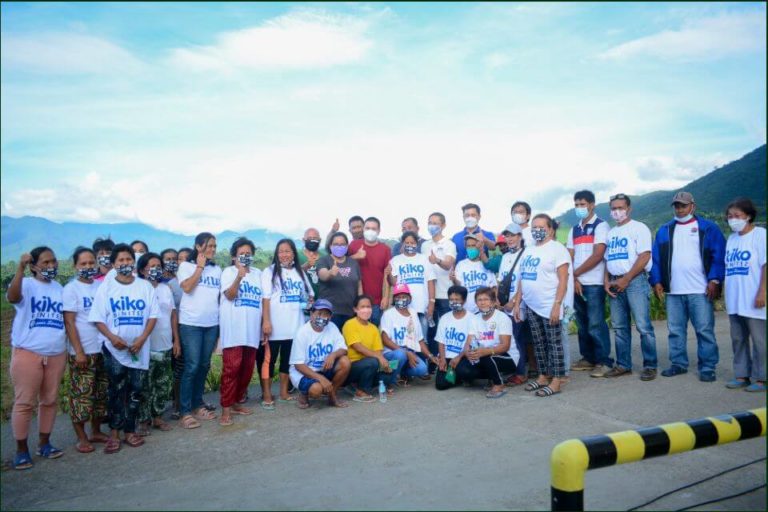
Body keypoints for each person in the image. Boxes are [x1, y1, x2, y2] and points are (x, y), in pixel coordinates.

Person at [89, 244, 159, 453]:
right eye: (120, 260)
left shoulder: (145, 287)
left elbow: (153, 316)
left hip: (139, 349)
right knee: (116, 390)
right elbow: (98, 319)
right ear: (113, 264)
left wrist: (142, 339)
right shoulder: (107, 288)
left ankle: (130, 430)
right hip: (114, 350)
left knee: (136, 390)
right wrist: (112, 338)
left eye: (129, 259)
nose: (125, 263)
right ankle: (114, 433)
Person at [650, 191, 726, 382]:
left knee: (704, 330)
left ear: (693, 206)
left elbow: (719, 256)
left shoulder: (708, 228)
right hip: (674, 291)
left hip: (700, 290)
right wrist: (657, 281)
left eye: (683, 205)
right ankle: (678, 363)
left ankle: (708, 366)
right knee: (675, 330)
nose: (680, 209)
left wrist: (714, 280)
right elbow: (656, 259)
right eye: (676, 205)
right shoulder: (664, 230)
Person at [7, 247, 68, 469]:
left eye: (54, 261)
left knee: (50, 400)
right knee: (24, 402)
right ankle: (21, 450)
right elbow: (13, 297)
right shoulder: (26, 284)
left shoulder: (60, 289)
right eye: (46, 262)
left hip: (56, 353)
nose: (51, 266)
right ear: (34, 266)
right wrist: (19, 269)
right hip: (28, 352)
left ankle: (45, 443)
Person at [513, 214, 573, 397]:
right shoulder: (529, 250)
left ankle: (556, 380)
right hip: (532, 305)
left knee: (554, 344)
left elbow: (564, 279)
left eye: (541, 227)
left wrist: (557, 305)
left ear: (551, 229)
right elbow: (523, 278)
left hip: (549, 305)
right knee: (538, 343)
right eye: (534, 227)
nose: (537, 230)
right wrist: (517, 303)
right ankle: (543, 375)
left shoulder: (557, 249)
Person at [601, 193, 658, 381]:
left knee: (643, 325)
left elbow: (644, 256)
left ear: (629, 209)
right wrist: (606, 281)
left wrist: (626, 279)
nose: (617, 212)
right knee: (619, 327)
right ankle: (623, 365)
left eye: (620, 208)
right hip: (615, 282)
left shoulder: (639, 228)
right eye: (613, 208)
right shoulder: (611, 233)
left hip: (634, 281)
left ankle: (650, 365)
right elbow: (607, 260)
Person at [63, 247, 108, 454]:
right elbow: (70, 322)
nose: (88, 267)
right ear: (75, 266)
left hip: (102, 349)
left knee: (100, 394)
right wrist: (78, 351)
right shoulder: (71, 289)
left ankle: (96, 431)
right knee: (81, 395)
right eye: (83, 264)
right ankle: (81, 438)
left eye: (92, 263)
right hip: (83, 351)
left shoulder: (101, 286)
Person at [260, 238, 314, 407]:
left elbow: (309, 294)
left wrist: (307, 303)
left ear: (293, 254)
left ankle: (283, 392)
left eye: (287, 251)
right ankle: (267, 394)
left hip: (295, 325)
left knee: (287, 361)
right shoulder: (270, 272)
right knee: (269, 361)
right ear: (276, 254)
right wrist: (266, 321)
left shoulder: (300, 272)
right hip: (275, 326)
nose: (284, 254)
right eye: (281, 251)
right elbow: (266, 298)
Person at [177, 232, 222, 429]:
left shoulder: (217, 269)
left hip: (211, 324)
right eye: (208, 245)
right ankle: (185, 410)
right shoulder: (186, 266)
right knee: (192, 366)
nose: (212, 249)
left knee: (204, 365)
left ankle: (197, 404)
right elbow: (187, 287)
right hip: (191, 324)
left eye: (214, 246)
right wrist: (200, 268)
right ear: (198, 247)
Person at [566, 190, 613, 377]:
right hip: (577, 282)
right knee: (582, 323)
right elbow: (569, 255)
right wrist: (574, 278)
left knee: (595, 322)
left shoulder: (601, 226)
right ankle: (588, 358)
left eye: (582, 204)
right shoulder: (574, 229)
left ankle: (604, 361)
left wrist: (575, 273)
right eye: (576, 204)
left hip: (594, 282)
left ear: (592, 204)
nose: (579, 208)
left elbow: (598, 255)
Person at [723, 198, 766, 392]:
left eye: (737, 216)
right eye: (730, 216)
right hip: (735, 298)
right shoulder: (732, 239)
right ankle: (742, 375)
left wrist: (762, 291)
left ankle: (761, 378)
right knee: (738, 339)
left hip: (754, 298)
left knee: (760, 341)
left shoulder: (760, 235)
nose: (733, 220)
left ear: (748, 216)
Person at [218, 238, 262, 426]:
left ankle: (236, 402)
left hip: (252, 331)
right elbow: (229, 295)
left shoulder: (259, 274)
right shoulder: (228, 272)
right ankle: (226, 409)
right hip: (234, 331)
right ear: (234, 256)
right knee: (232, 369)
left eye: (248, 253)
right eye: (241, 253)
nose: (245, 256)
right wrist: (239, 276)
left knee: (246, 370)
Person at [135, 253, 178, 436]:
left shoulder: (165, 288)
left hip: (165, 342)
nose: (156, 269)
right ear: (143, 269)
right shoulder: (138, 288)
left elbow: (173, 315)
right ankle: (144, 420)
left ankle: (158, 416)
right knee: (145, 385)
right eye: (151, 266)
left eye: (158, 266)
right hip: (145, 345)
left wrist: (176, 340)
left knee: (163, 383)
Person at [455, 287, 517, 398]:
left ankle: (499, 385)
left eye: (486, 299)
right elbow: (469, 342)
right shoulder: (474, 319)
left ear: (493, 302)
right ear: (476, 303)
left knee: (487, 357)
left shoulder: (502, 318)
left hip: (507, 356)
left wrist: (484, 352)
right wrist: (468, 353)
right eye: (479, 300)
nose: (482, 303)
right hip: (483, 354)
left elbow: (505, 346)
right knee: (462, 369)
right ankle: (491, 377)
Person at [289, 299, 351, 409]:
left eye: (326, 314)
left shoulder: (331, 327)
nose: (322, 317)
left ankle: (332, 395)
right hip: (304, 372)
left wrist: (333, 355)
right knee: (317, 390)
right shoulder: (302, 333)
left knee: (345, 362)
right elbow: (298, 365)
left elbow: (343, 349)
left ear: (330, 317)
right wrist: (321, 379)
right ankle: (304, 392)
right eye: (319, 313)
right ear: (312, 313)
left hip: (323, 369)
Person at [495, 223, 535, 386]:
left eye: (513, 235)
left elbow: (524, 280)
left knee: (516, 339)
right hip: (505, 304)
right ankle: (520, 369)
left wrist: (514, 301)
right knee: (514, 338)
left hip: (519, 304)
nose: (509, 239)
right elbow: (500, 280)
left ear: (520, 237)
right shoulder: (505, 257)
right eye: (507, 236)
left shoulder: (526, 254)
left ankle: (520, 373)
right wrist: (498, 299)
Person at [379, 284, 438, 387]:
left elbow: (420, 340)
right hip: (392, 354)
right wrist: (405, 352)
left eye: (404, 296)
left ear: (409, 298)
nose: (401, 299)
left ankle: (401, 373)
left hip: (408, 353)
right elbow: (385, 339)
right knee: (400, 355)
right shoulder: (388, 314)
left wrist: (430, 356)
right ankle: (389, 380)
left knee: (422, 369)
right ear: (394, 299)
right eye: (398, 297)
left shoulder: (413, 313)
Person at [341, 295, 396, 401]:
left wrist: (384, 363)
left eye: (368, 307)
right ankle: (361, 391)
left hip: (370, 364)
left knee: (390, 368)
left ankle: (358, 386)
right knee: (373, 362)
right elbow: (358, 347)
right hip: (353, 367)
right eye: (362, 307)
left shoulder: (374, 328)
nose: (366, 310)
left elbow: (378, 350)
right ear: (355, 309)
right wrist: (379, 358)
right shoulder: (350, 324)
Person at [421, 212, 457, 373]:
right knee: (430, 331)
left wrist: (438, 261)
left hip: (444, 294)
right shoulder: (424, 245)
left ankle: (448, 362)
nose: (432, 225)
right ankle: (433, 363)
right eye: (430, 222)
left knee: (446, 330)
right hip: (428, 296)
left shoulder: (449, 244)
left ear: (443, 225)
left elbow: (449, 264)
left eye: (435, 223)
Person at [387, 231, 436, 342]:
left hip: (421, 307)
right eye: (407, 242)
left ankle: (423, 358)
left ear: (417, 243)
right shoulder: (396, 260)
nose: (409, 245)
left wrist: (431, 303)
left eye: (412, 242)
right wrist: (389, 273)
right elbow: (394, 283)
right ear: (402, 243)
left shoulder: (424, 259)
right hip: (403, 307)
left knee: (422, 339)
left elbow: (430, 282)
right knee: (405, 339)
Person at [347, 217, 392, 325]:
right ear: (363, 229)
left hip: (375, 301)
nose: (370, 231)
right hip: (354, 298)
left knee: (373, 330)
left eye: (373, 228)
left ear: (379, 230)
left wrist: (385, 297)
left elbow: (387, 275)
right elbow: (342, 264)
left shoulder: (385, 249)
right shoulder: (354, 245)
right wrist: (355, 256)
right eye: (367, 228)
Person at [317, 232, 362, 331]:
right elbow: (322, 275)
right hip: (330, 313)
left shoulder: (353, 263)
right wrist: (330, 273)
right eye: (336, 244)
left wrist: (360, 305)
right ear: (330, 246)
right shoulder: (324, 260)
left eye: (342, 244)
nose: (339, 247)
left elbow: (359, 285)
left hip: (350, 312)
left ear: (347, 246)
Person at [434, 286, 472, 390]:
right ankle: (458, 378)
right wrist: (442, 359)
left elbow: (470, 343)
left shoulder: (472, 318)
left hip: (463, 356)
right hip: (447, 356)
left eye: (457, 299)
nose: (453, 302)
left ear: (464, 301)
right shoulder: (444, 318)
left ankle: (462, 376)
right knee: (440, 385)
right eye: (451, 300)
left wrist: (459, 357)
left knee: (465, 371)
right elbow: (440, 341)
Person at [450, 233, 496, 313]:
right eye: (468, 246)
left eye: (473, 245)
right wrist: (454, 280)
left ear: (479, 246)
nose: (471, 248)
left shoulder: (486, 263)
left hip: (485, 310)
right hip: (468, 310)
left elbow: (494, 287)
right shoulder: (461, 264)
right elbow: (459, 286)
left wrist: (494, 304)